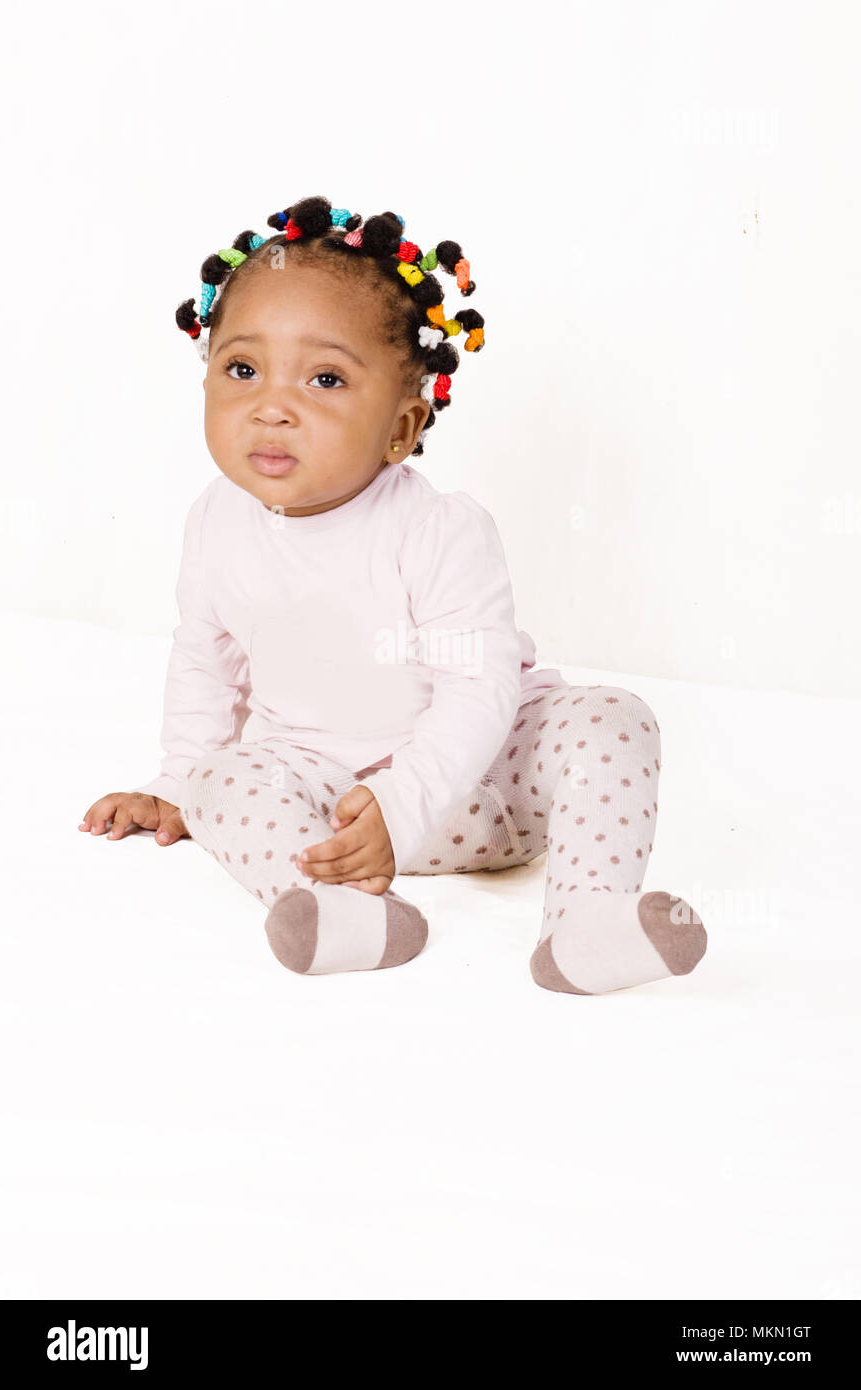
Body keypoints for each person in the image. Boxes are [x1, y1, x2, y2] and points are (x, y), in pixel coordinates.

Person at [78, 194, 707, 994]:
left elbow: (479, 687)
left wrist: (404, 803)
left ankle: (587, 921)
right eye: (242, 369)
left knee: (612, 717)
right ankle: (346, 911)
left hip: (480, 783)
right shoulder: (214, 523)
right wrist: (175, 784)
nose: (272, 405)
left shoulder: (438, 530)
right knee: (220, 782)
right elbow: (207, 660)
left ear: (402, 428)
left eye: (326, 378)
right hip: (327, 802)